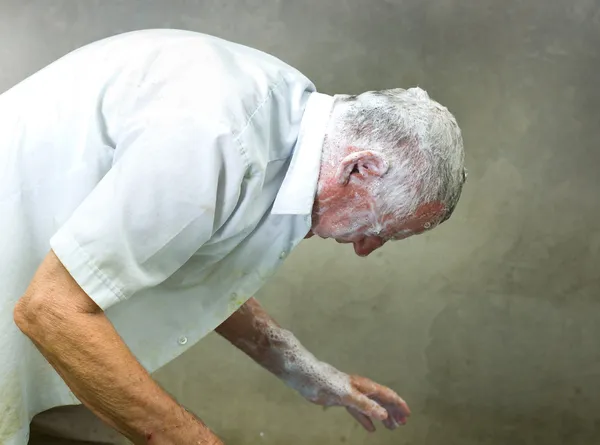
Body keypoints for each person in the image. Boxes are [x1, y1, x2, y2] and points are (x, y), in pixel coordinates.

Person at [0, 29, 466, 444]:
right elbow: (51, 310)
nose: (365, 248)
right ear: (360, 168)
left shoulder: (285, 121)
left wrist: (300, 367)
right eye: (379, 229)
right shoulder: (215, 138)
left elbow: (190, 257)